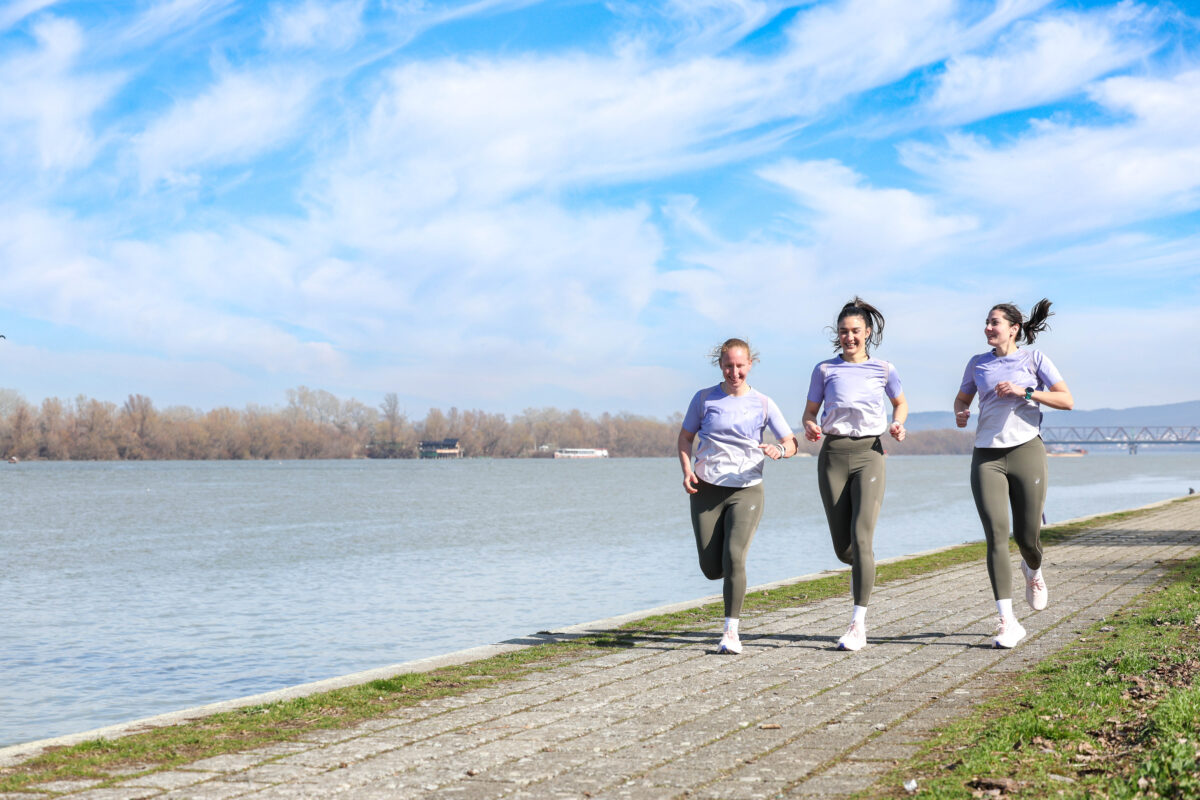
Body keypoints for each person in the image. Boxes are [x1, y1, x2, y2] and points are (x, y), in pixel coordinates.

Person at [954, 299, 1073, 648]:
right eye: (987, 323)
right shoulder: (978, 364)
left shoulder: (1034, 359)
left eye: (995, 323)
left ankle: (1032, 570)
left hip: (1026, 451)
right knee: (995, 535)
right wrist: (961, 412)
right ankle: (1007, 621)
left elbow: (1067, 400)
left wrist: (1027, 391)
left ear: (1013, 328)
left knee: (1028, 538)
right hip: (986, 456)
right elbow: (962, 400)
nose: (989, 328)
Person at [678, 338, 798, 655]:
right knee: (711, 568)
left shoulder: (763, 403)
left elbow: (791, 441)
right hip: (706, 488)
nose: (734, 372)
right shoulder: (704, 399)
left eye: (740, 366)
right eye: (729, 366)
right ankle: (728, 588)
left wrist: (780, 450)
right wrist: (687, 470)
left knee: (734, 556)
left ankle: (731, 631)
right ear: (721, 365)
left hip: (747, 489)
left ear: (750, 365)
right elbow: (685, 437)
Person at [802, 298, 907, 652]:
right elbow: (809, 413)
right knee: (843, 548)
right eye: (844, 332)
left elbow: (900, 402)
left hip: (869, 454)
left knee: (862, 539)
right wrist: (811, 427)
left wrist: (898, 422)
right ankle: (865, 566)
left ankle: (857, 624)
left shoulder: (883, 369)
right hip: (832, 455)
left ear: (868, 333)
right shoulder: (824, 371)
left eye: (856, 332)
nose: (849, 337)